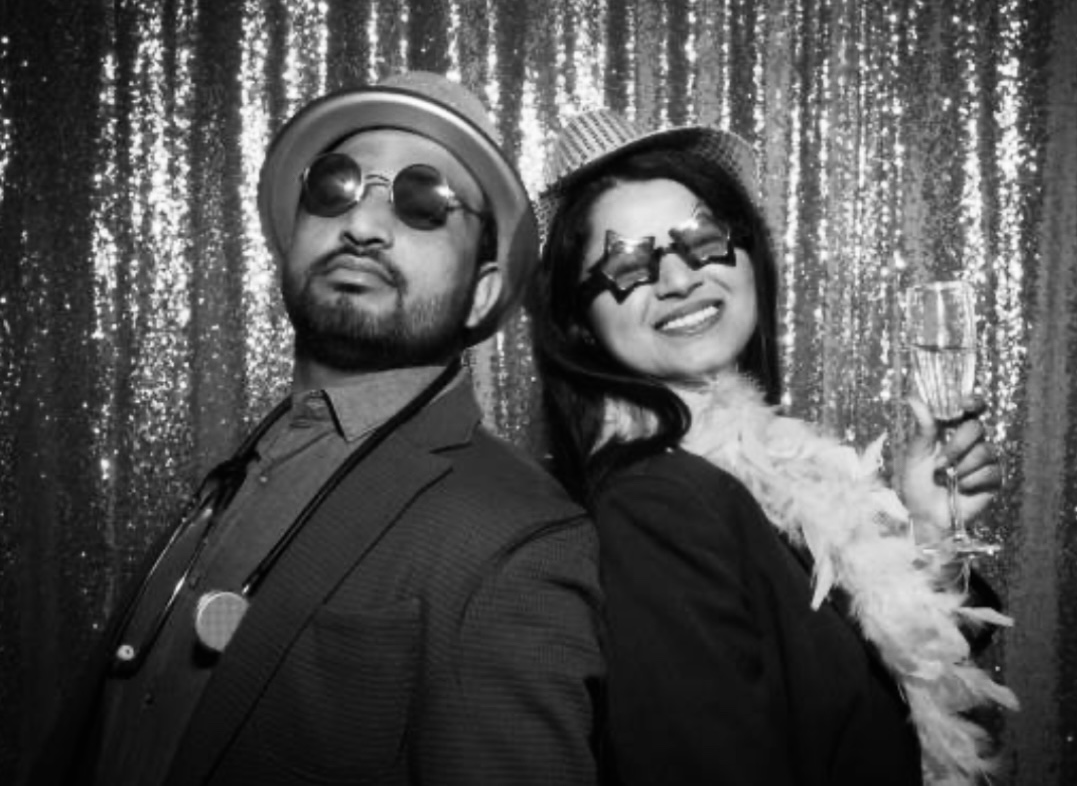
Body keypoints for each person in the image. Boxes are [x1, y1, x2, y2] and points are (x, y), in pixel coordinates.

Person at [32, 72, 601, 786]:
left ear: (482, 289)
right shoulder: (248, 465)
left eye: (423, 201)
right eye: (334, 184)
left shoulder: (517, 540)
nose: (361, 224)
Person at [529, 109, 1018, 786]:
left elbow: (867, 691)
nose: (678, 278)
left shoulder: (743, 476)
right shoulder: (656, 505)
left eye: (700, 239)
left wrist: (927, 530)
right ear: (580, 323)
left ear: (745, 254)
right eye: (627, 264)